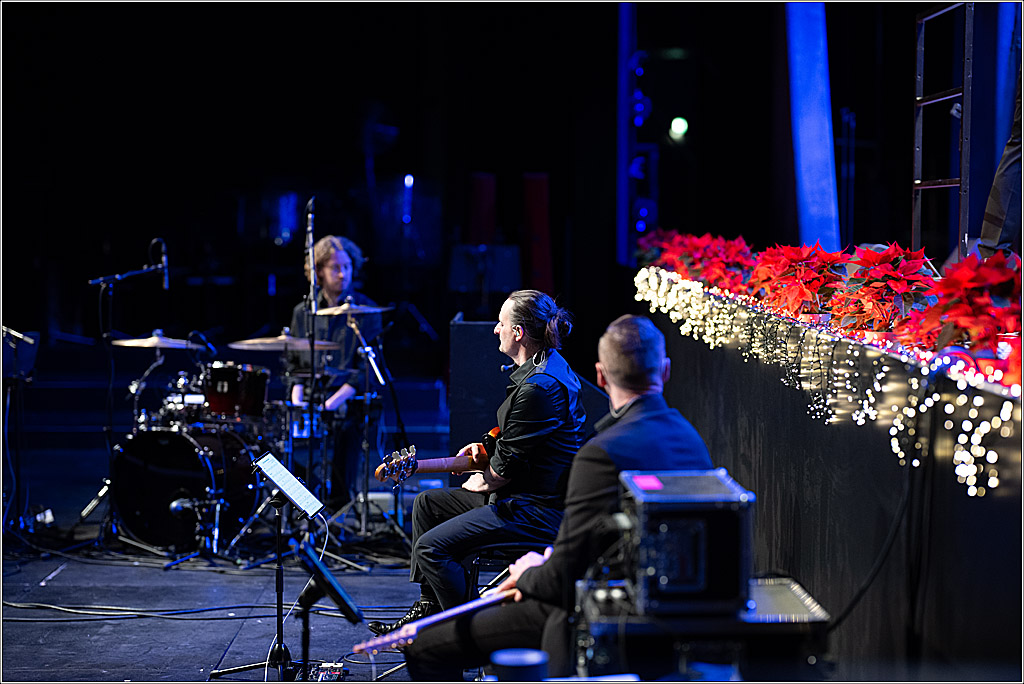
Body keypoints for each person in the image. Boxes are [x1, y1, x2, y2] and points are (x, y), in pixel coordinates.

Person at [401, 314, 714, 680]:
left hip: (596, 612)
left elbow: (561, 581)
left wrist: (530, 572)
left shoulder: (600, 454)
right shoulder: (694, 444)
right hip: (672, 615)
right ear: (665, 371)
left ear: (600, 375)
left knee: (424, 646)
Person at [366, 290, 588, 635]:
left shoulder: (538, 388)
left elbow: (499, 475)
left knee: (430, 547)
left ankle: (466, 636)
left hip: (535, 509)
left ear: (518, 333)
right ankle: (430, 607)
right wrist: (489, 445)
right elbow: (519, 441)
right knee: (428, 504)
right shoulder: (545, 368)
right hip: (522, 493)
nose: (494, 330)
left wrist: (478, 479)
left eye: (501, 324)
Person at [286, 235, 383, 508]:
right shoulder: (302, 313)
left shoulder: (366, 311)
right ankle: (305, 507)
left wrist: (331, 404)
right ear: (318, 271)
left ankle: (339, 508)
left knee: (346, 432)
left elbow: (365, 369)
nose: (342, 274)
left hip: (346, 401)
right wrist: (298, 400)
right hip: (312, 397)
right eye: (335, 268)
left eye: (347, 267)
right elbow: (294, 363)